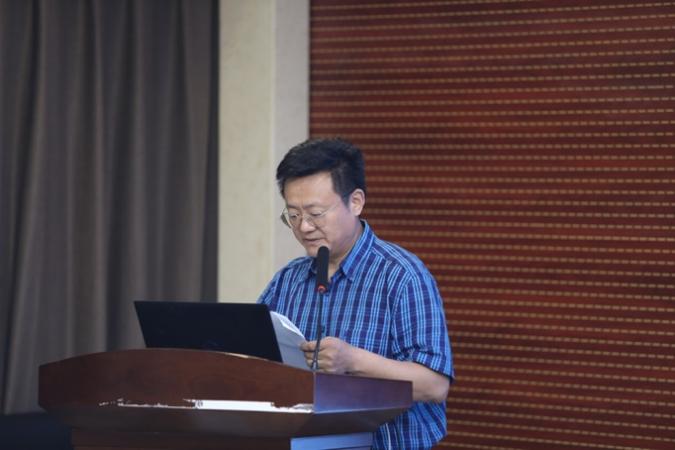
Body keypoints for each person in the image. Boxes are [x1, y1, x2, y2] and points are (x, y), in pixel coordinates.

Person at [258, 138, 453, 449]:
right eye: (293, 215)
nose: (304, 227)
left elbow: (434, 386)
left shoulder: (402, 275)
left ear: (356, 202)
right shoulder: (288, 280)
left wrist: (352, 360)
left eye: (315, 213)